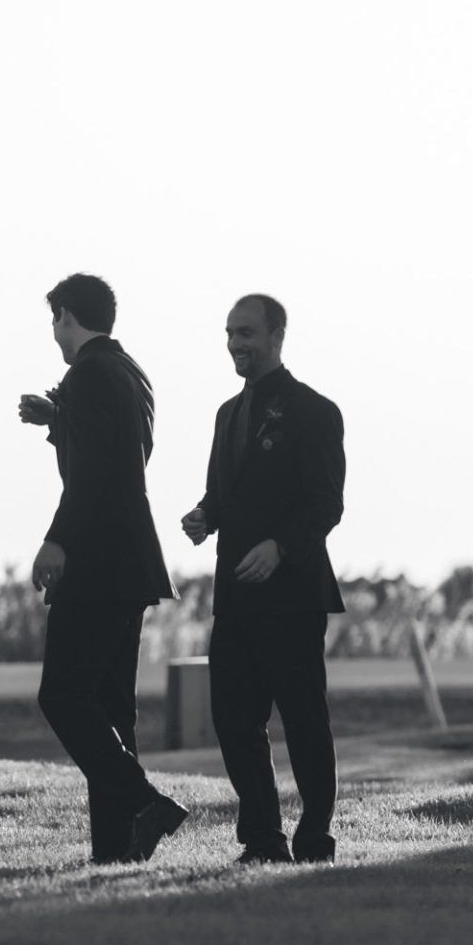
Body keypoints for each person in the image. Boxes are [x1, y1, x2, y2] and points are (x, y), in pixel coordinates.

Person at [18, 274, 187, 862]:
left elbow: (93, 472)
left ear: (66, 316)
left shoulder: (86, 374)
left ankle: (144, 804)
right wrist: (55, 418)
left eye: (54, 322)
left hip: (95, 557)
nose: (55, 336)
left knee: (63, 695)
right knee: (112, 708)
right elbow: (115, 451)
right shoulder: (129, 373)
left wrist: (56, 540)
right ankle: (118, 849)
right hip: (132, 558)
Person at [181, 294, 346, 863]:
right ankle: (263, 838)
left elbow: (326, 504)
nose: (236, 344)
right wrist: (206, 516)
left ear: (278, 335)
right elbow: (223, 494)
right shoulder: (227, 414)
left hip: (294, 595)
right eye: (230, 333)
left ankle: (316, 834)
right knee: (232, 719)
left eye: (247, 333)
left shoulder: (315, 411)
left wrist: (281, 547)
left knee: (304, 720)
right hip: (236, 598)